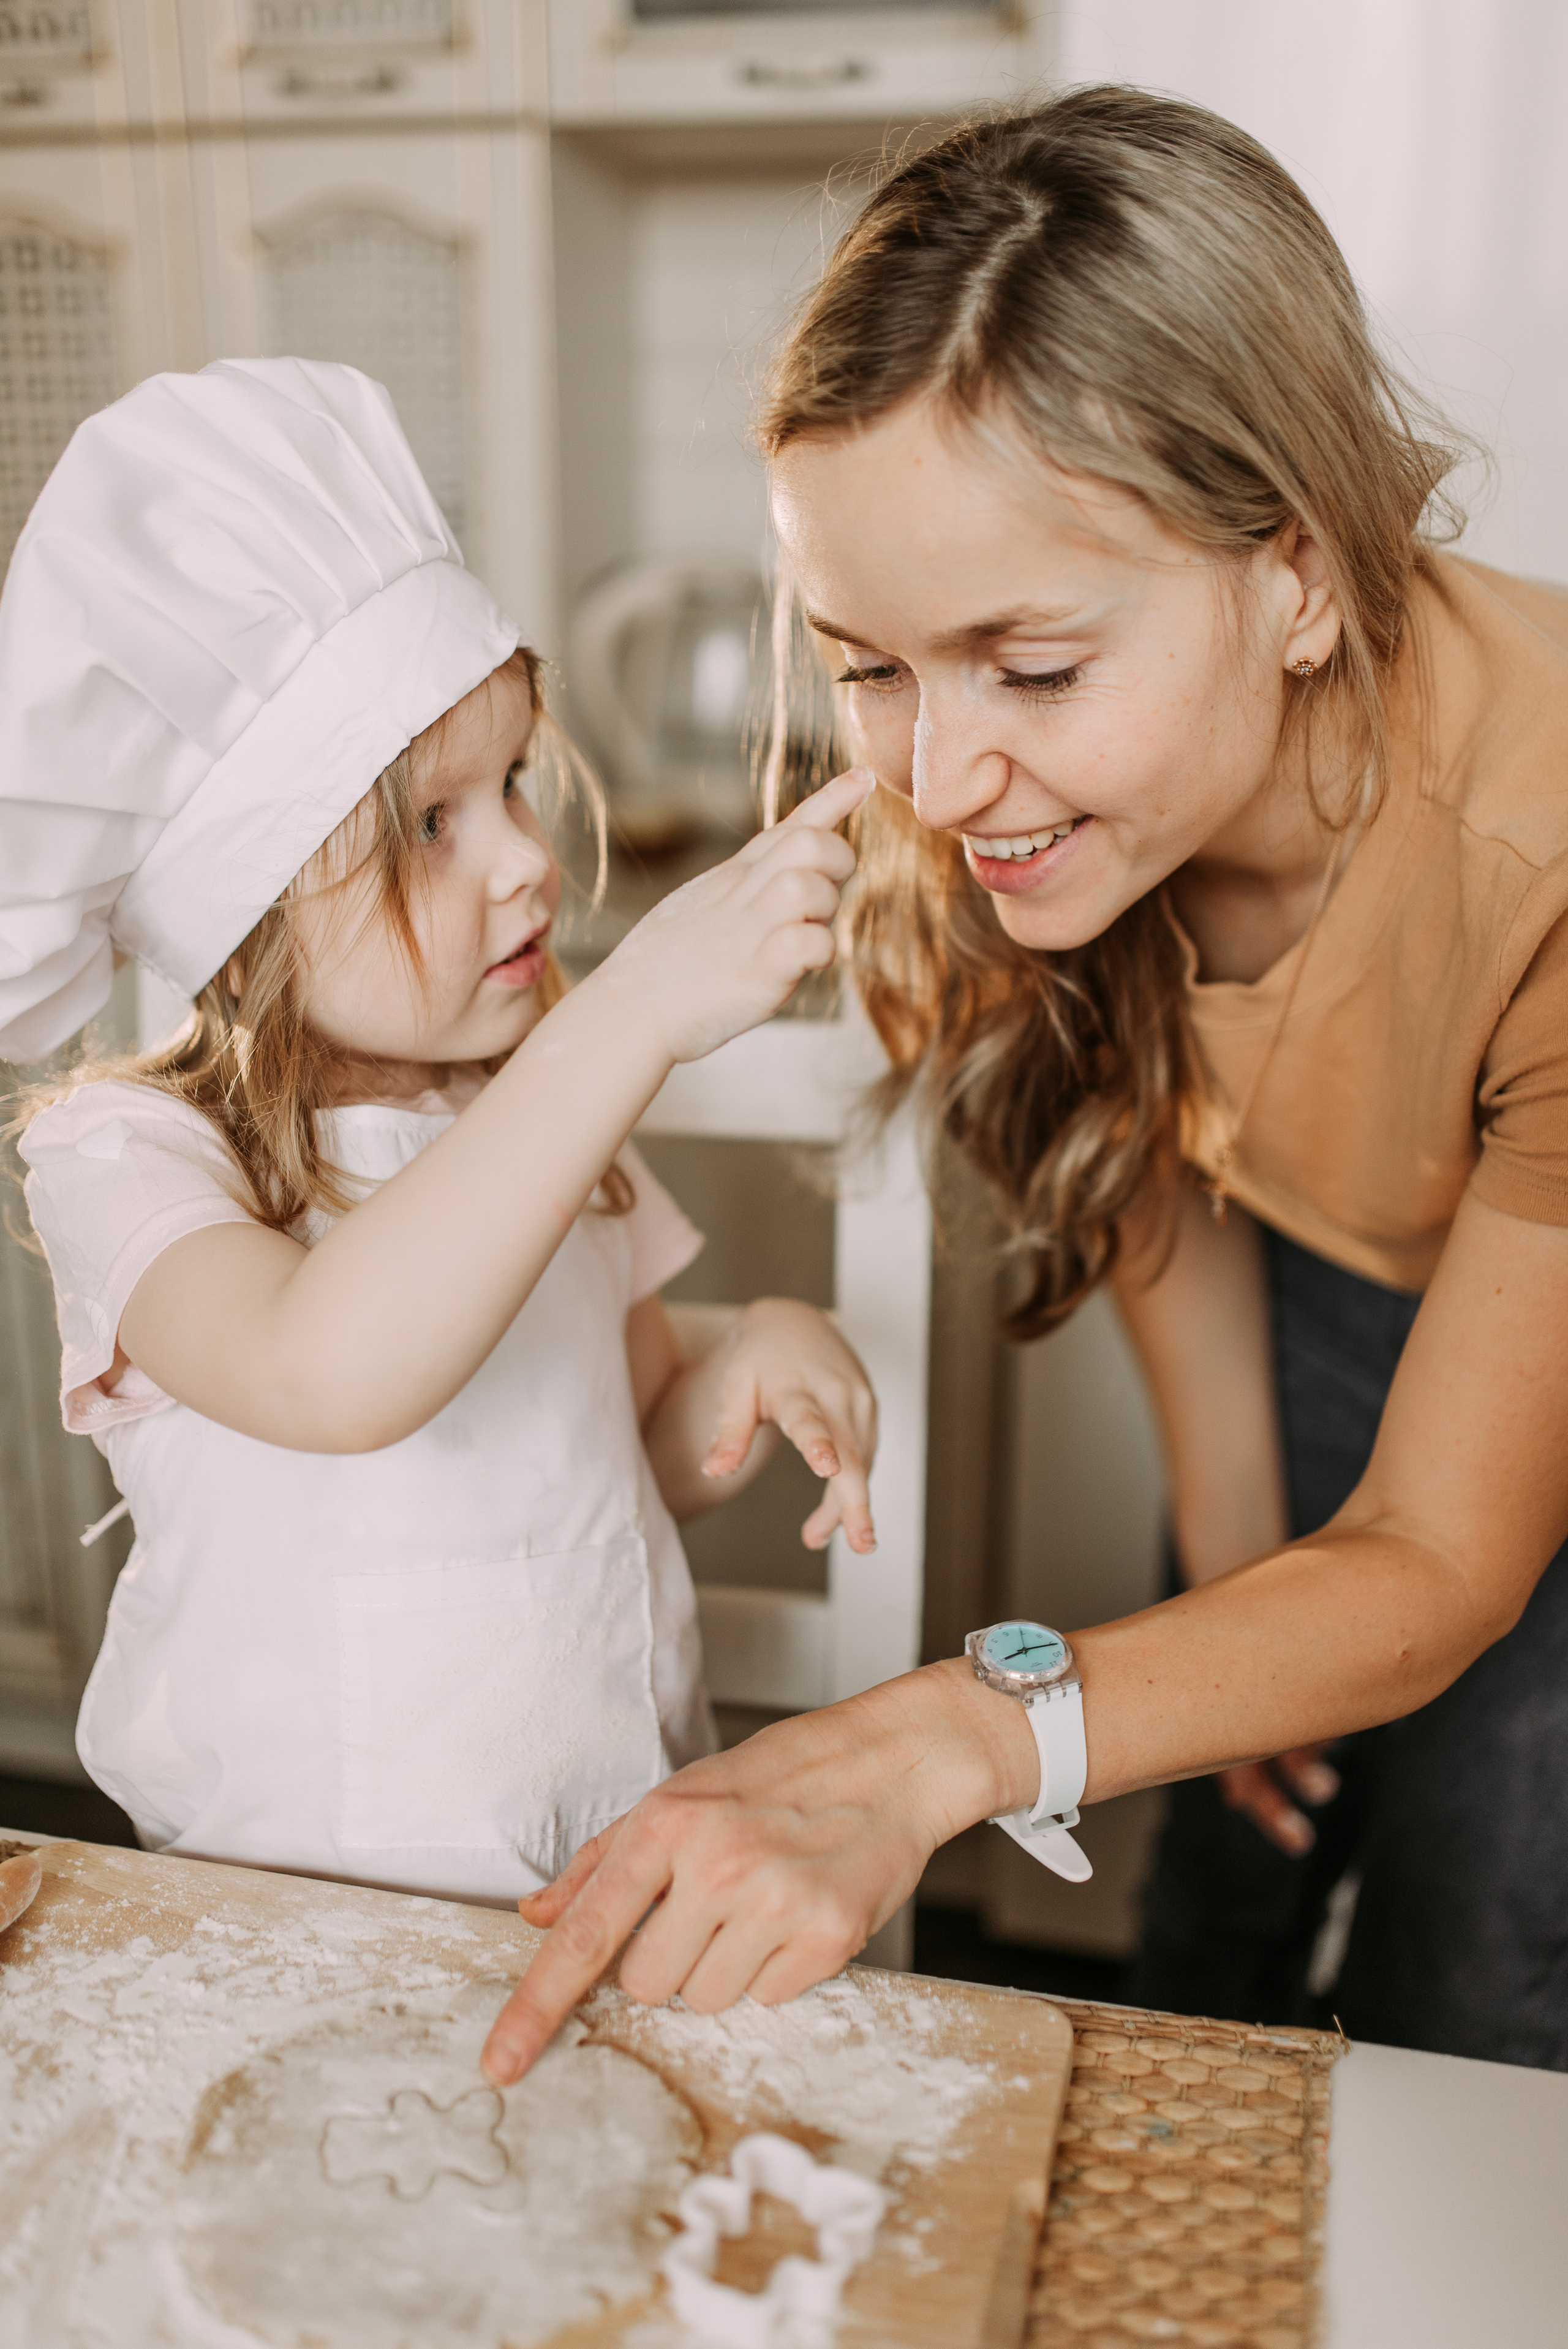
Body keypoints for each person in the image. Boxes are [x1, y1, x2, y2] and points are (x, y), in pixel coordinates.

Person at [478, 86, 1568, 2088]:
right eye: (868, 662)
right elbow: (1133, 1133)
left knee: (1481, 1940)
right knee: (1229, 1807)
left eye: (1034, 669)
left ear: (1302, 576)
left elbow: (1441, 1563)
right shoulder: (1004, 810)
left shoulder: (1545, 856)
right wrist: (1247, 1540)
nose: (933, 776)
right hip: (1344, 1249)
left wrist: (933, 1738)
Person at [2, 356, 876, 1904]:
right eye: (430, 824)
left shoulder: (552, 1116)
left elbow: (626, 1454)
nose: (529, 861)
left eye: (516, 784)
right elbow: (326, 1371)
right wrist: (625, 1021)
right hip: (274, 1906)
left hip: (607, 1844)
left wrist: (747, 1360)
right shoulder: (129, 1157)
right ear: (247, 912)